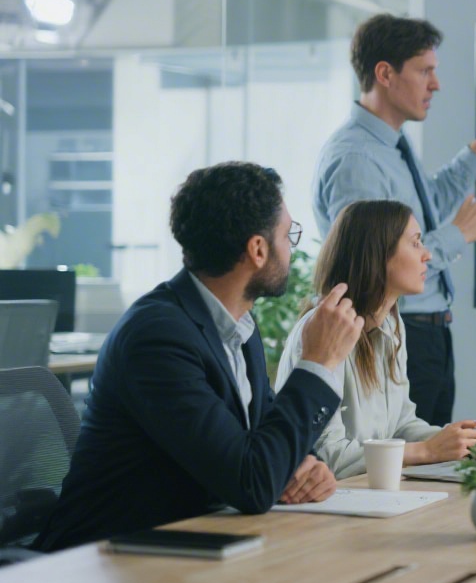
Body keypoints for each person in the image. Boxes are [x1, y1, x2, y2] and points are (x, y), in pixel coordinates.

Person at [35, 162, 362, 552]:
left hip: (194, 542)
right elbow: (250, 483)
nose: (292, 248)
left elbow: (263, 442)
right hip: (107, 560)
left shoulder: (240, 325)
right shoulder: (157, 338)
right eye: (288, 235)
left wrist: (305, 467)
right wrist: (317, 363)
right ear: (258, 249)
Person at [314, 13, 476, 426]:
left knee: (431, 464)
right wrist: (457, 235)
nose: (436, 84)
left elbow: (428, 201)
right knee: (408, 474)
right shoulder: (356, 158)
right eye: (425, 71)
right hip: (397, 328)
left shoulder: (390, 145)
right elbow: (372, 262)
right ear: (385, 74)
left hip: (422, 334)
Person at [277, 200, 476, 479]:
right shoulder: (321, 332)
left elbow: (401, 424)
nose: (427, 255)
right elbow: (329, 457)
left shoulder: (392, 325)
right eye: (416, 243)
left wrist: (462, 441)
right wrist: (427, 451)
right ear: (378, 254)